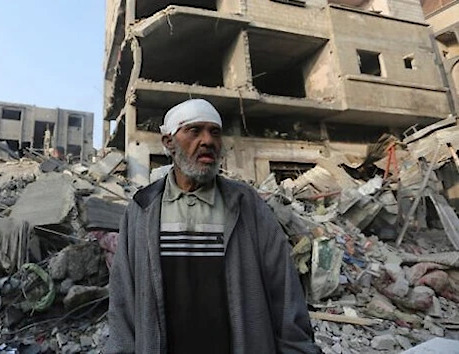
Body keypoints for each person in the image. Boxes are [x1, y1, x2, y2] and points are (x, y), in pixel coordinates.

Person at [106, 99, 320, 353]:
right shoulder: (142, 209)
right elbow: (123, 301)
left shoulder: (246, 205)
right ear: (168, 142)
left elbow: (284, 290)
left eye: (214, 132)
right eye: (194, 131)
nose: (207, 140)